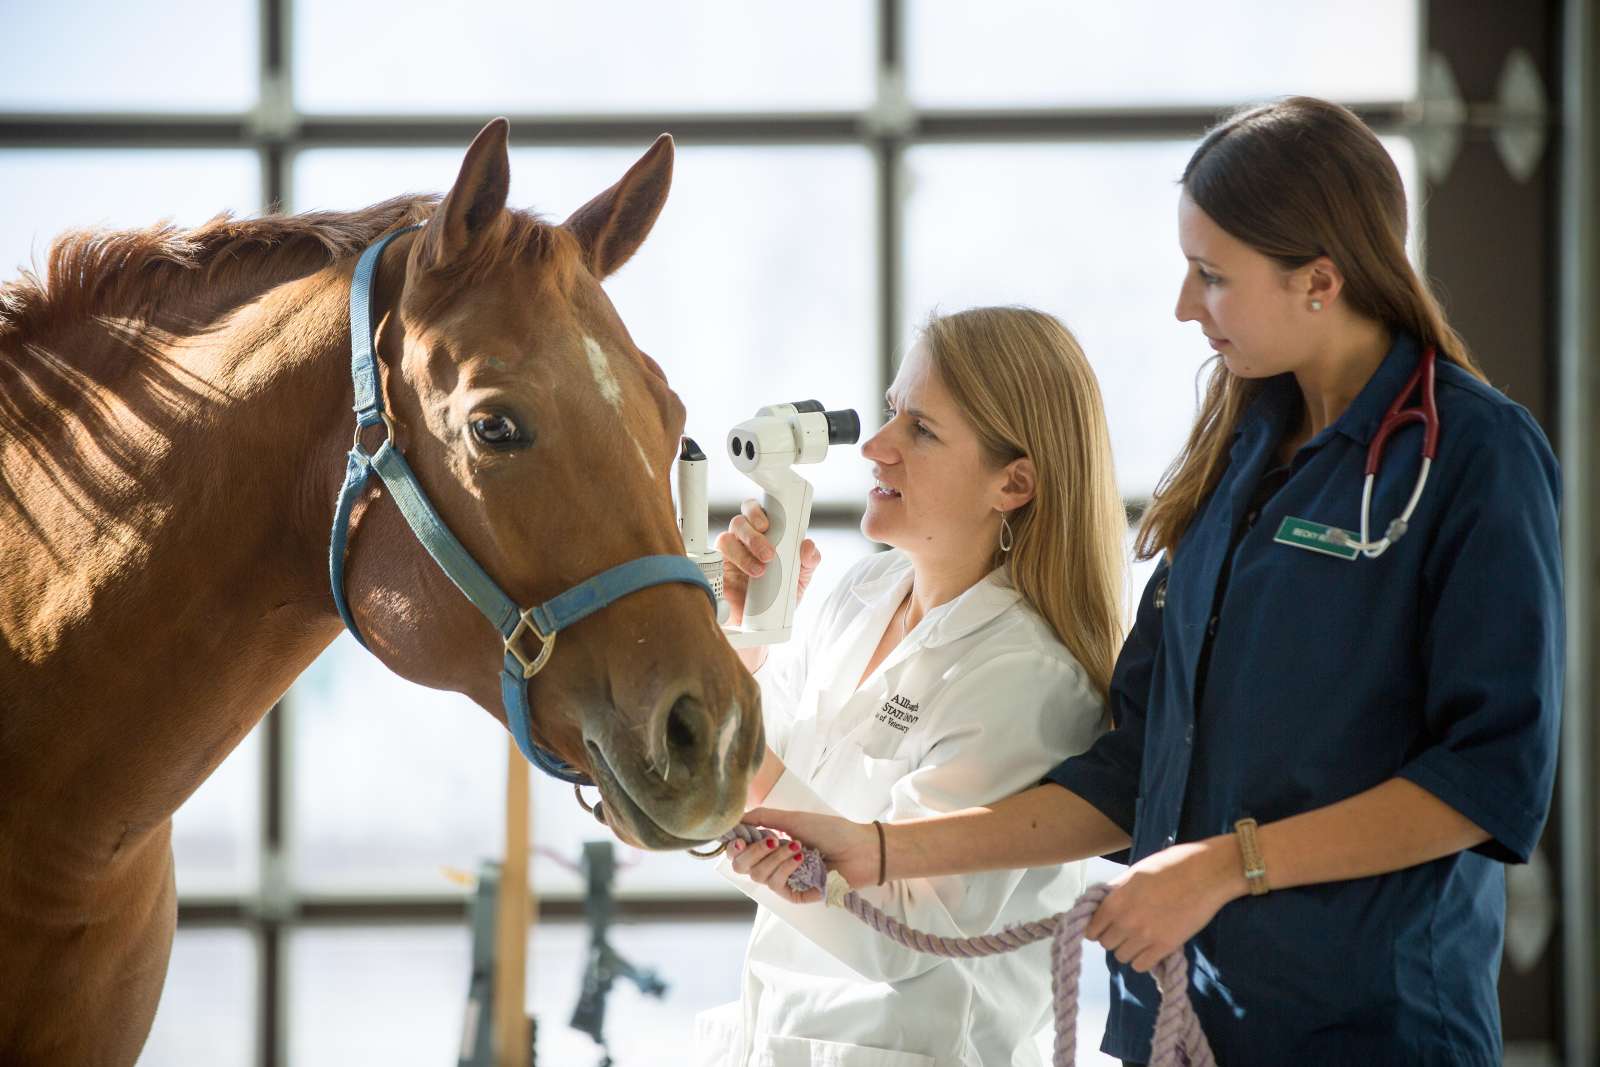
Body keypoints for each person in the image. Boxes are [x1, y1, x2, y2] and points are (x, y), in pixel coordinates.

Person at [745, 97, 1564, 1067]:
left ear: (1320, 279)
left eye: (1211, 276)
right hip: (1173, 1024)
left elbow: (1486, 777)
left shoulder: (1473, 454)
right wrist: (873, 848)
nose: (1183, 306)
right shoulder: (1239, 449)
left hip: (1362, 1028)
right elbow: (1127, 774)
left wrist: (1228, 866)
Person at [694, 306, 1129, 1067]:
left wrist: (725, 734)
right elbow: (734, 798)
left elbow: (902, 930)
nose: (874, 446)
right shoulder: (867, 590)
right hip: (774, 1034)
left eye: (920, 431)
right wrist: (740, 650)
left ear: (1013, 483)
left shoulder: (1027, 676)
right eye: (894, 411)